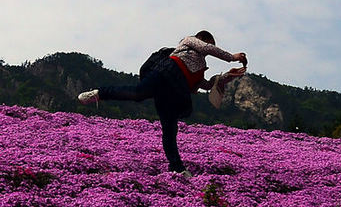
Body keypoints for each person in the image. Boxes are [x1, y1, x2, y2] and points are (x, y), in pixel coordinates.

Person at [78, 31, 247, 176]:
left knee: (170, 128)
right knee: (138, 93)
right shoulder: (188, 41)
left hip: (174, 91)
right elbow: (206, 48)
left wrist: (229, 75)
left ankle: (177, 168)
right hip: (166, 73)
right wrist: (231, 57)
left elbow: (206, 85)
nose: (211, 47)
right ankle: (99, 93)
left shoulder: (201, 66)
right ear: (203, 39)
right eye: (211, 43)